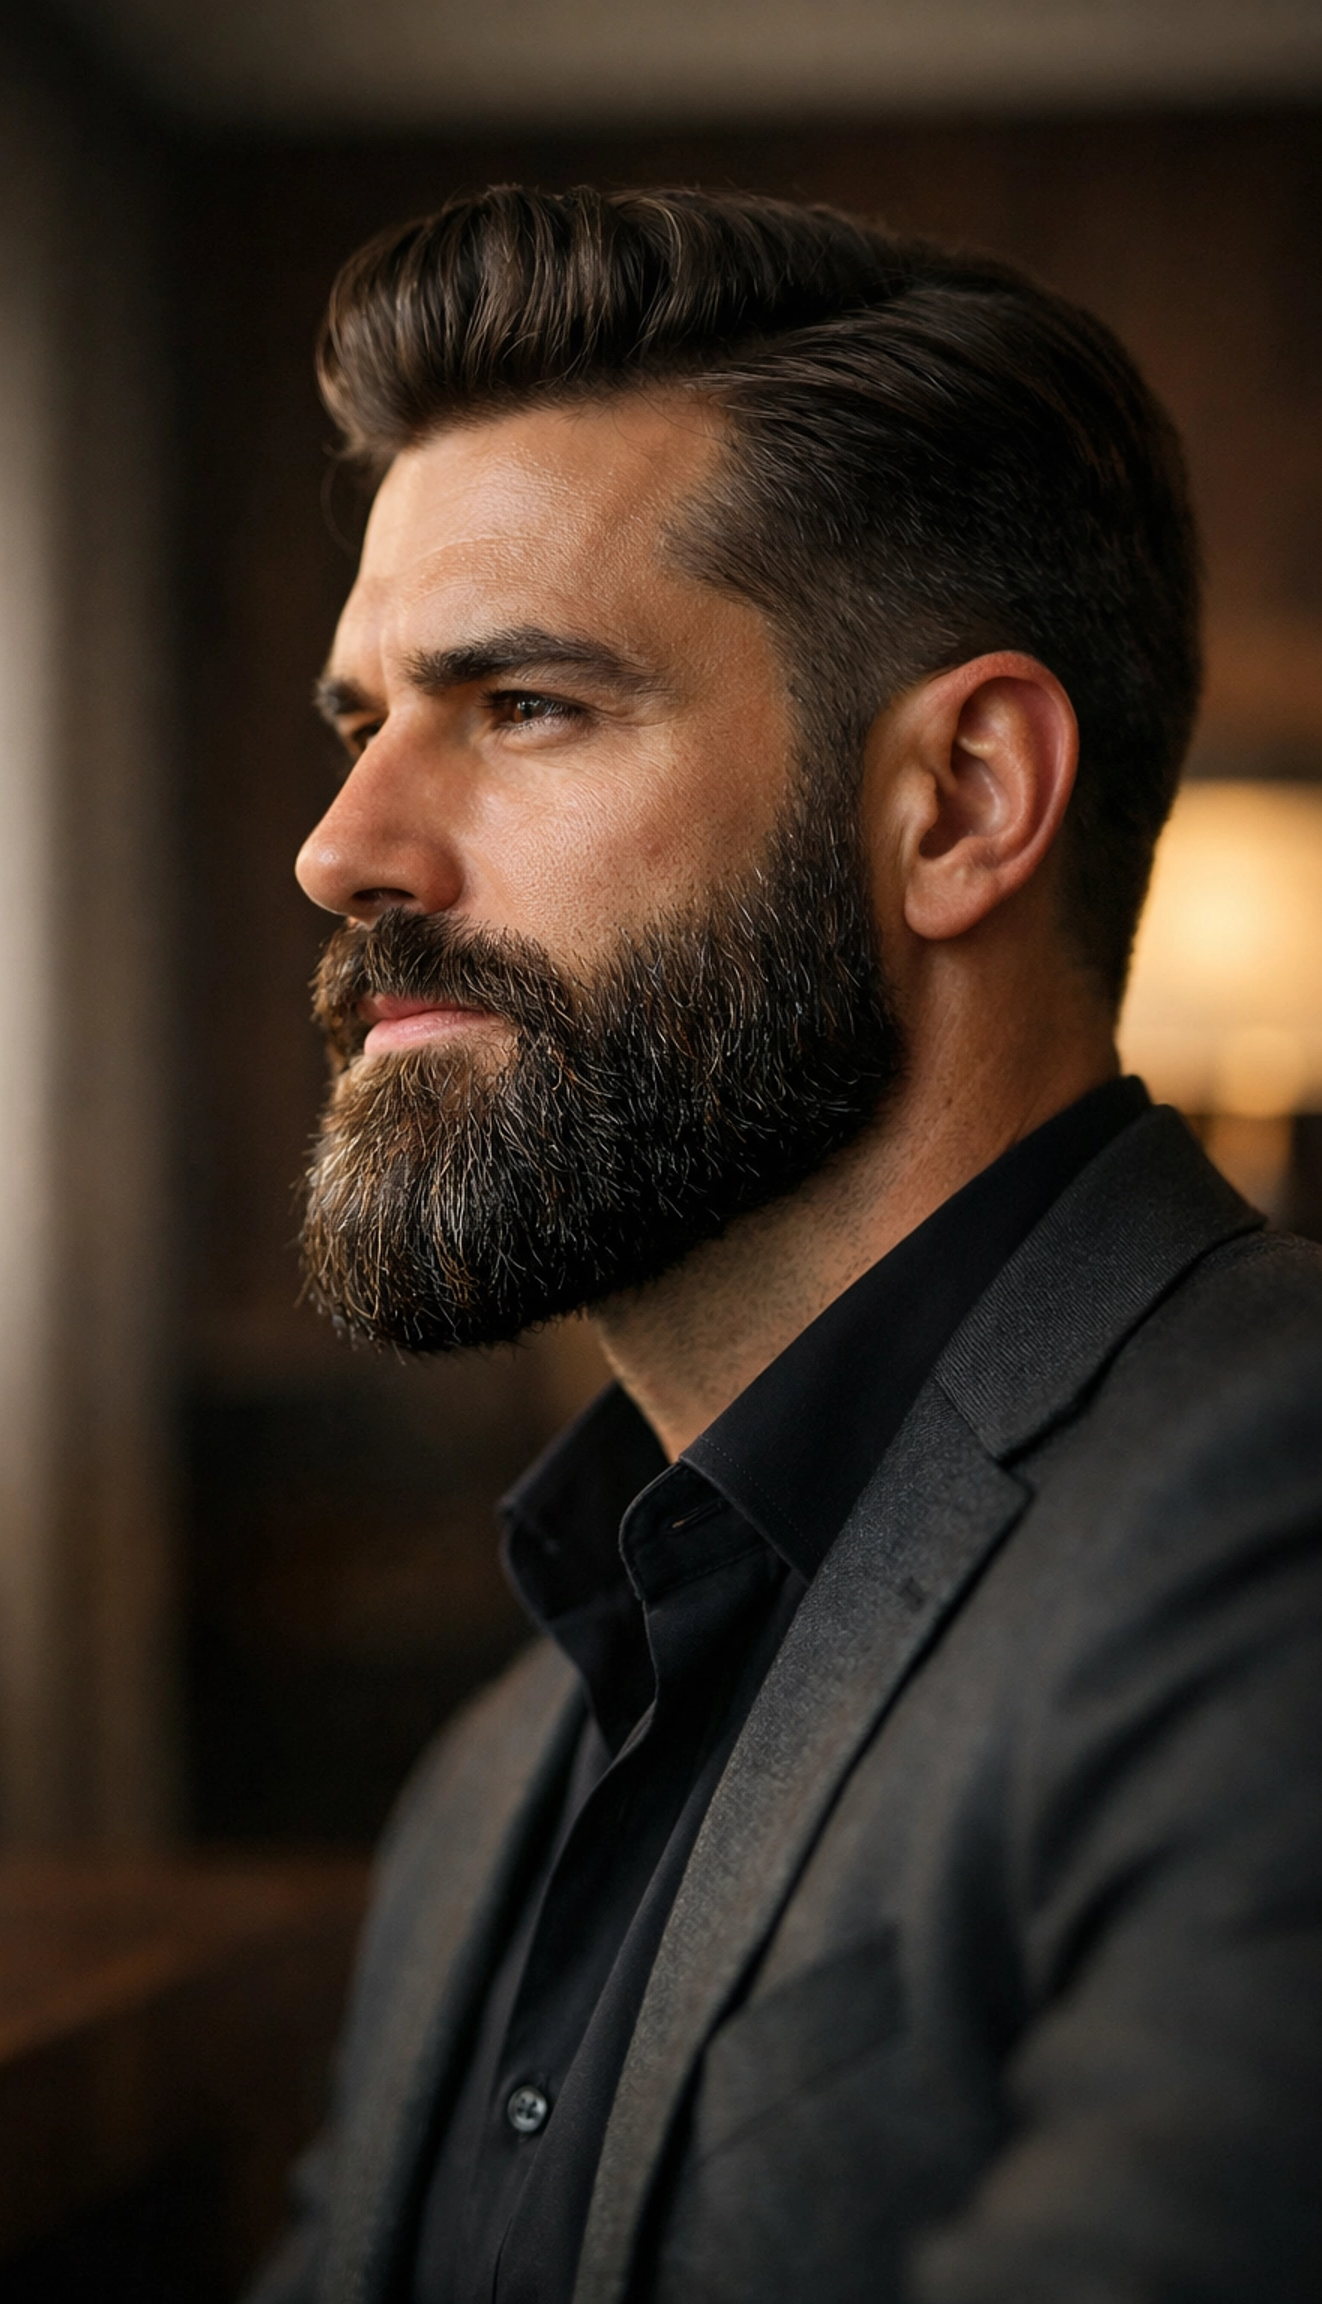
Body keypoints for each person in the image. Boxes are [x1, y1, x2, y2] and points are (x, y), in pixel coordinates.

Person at [249, 189, 1322, 2304]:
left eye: (527, 704)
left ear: (958, 802)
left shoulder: (1267, 1522)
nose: (342, 847)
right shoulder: (488, 1788)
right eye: (363, 719)